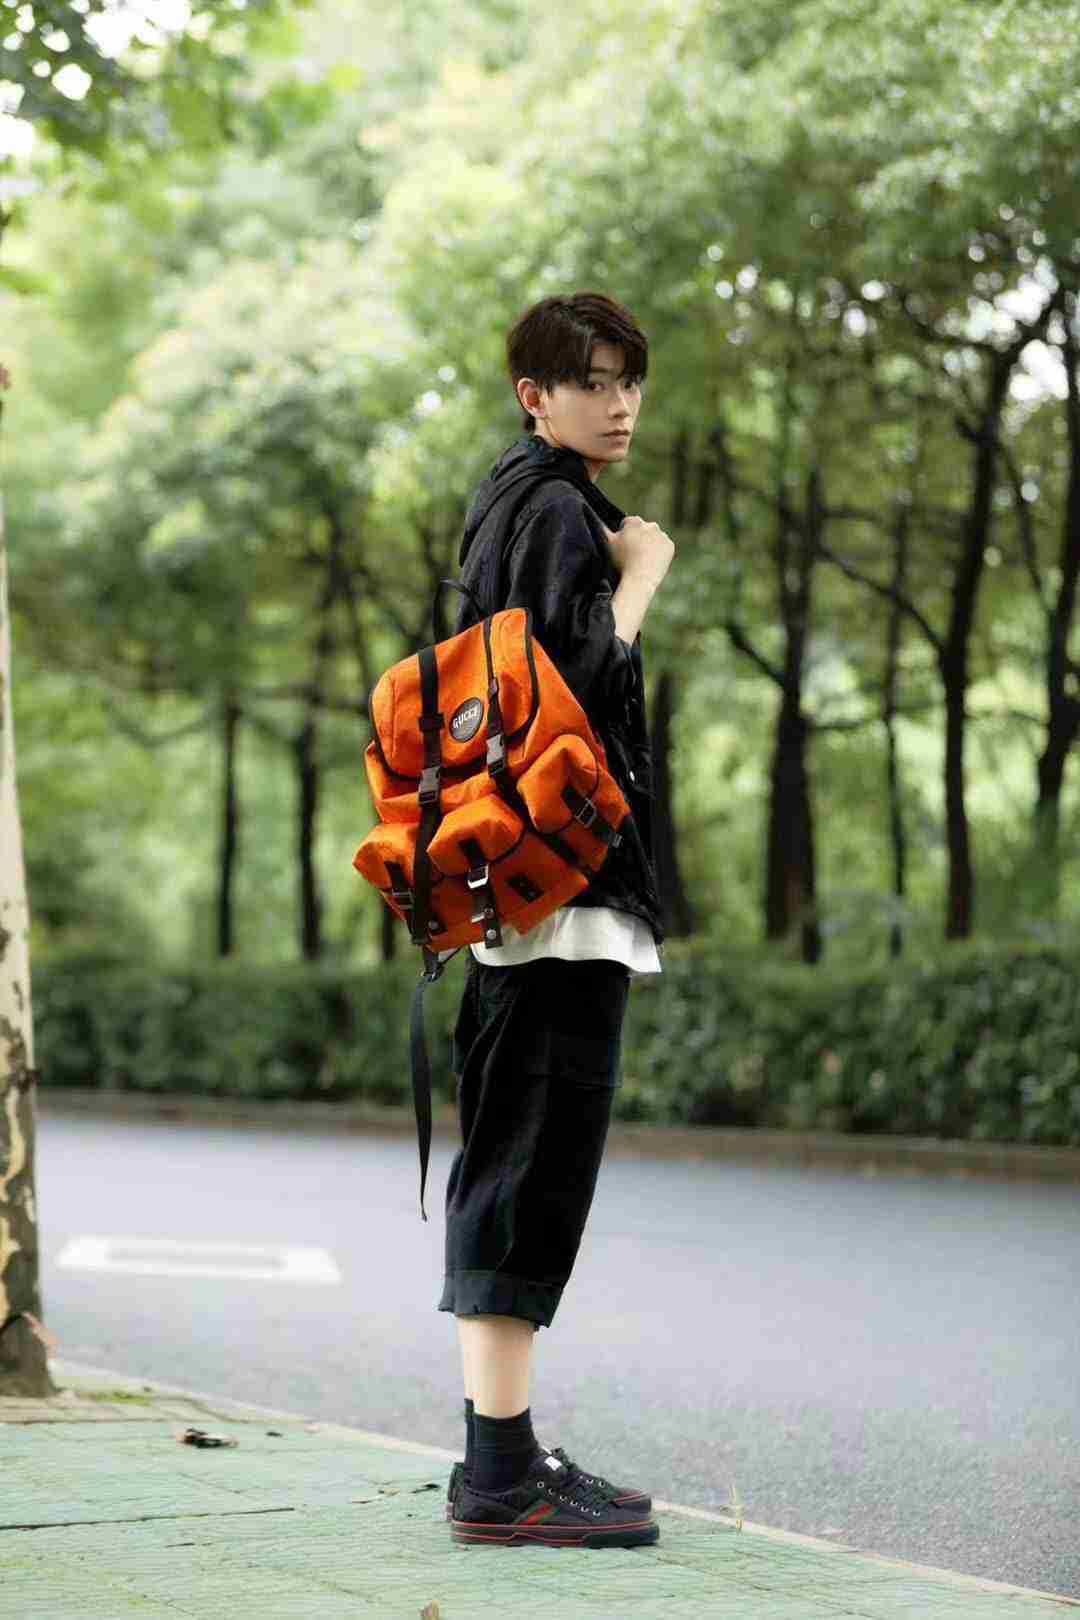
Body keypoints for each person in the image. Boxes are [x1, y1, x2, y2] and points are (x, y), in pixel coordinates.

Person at [440, 292, 676, 1548]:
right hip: (558, 897)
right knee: (530, 1169)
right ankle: (499, 1477)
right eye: (593, 381)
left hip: (533, 892)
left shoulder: (520, 500)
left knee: (521, 1163)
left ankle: (505, 1453)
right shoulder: (551, 511)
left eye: (630, 380)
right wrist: (640, 580)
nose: (620, 402)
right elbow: (568, 694)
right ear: (536, 395)